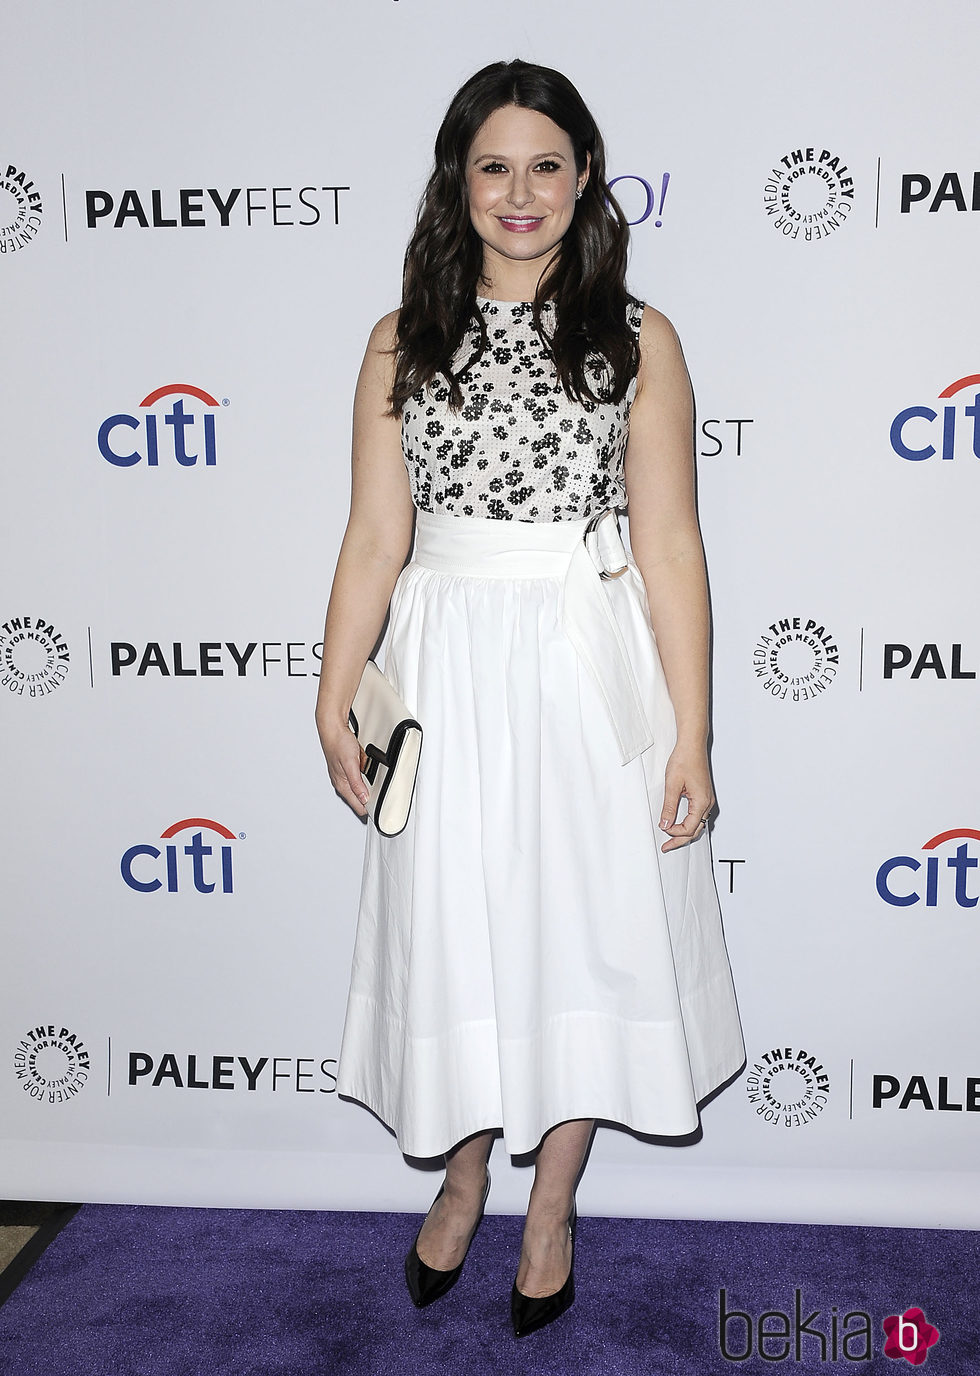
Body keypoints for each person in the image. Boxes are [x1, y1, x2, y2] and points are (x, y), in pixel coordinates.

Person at [315, 58, 744, 1337]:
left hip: (581, 664)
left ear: (584, 177)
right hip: (443, 662)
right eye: (492, 164)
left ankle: (549, 1199)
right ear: (459, 180)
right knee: (458, 928)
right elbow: (371, 537)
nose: (519, 191)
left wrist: (693, 735)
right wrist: (333, 693)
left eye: (544, 164)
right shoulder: (401, 337)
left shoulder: (637, 336)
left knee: (578, 932)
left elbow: (669, 546)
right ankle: (462, 1169)